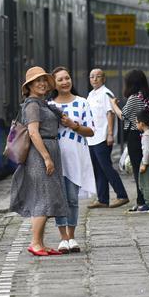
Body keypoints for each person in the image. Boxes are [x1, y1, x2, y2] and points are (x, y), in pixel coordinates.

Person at [10, 66, 71, 256]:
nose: (42, 83)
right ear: (29, 86)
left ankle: (40, 243)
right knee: (43, 199)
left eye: (44, 80)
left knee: (45, 198)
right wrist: (46, 158)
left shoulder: (42, 103)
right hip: (40, 155)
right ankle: (35, 243)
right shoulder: (32, 105)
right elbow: (34, 132)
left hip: (46, 151)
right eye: (38, 81)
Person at [49, 67, 97, 253]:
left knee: (72, 198)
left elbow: (91, 130)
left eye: (67, 78)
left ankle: (72, 237)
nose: (65, 82)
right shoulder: (49, 105)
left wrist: (74, 125)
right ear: (54, 83)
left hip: (76, 156)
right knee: (60, 199)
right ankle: (63, 238)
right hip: (56, 156)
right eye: (60, 79)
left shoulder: (82, 103)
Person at [109, 69, 149, 212]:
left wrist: (113, 104)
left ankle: (143, 201)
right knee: (146, 169)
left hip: (135, 136)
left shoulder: (134, 98)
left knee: (138, 169)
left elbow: (123, 115)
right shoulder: (146, 97)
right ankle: (147, 199)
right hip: (145, 134)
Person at [86, 68, 129, 209]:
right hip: (92, 137)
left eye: (98, 76)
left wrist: (110, 134)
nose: (95, 79)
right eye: (92, 76)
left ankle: (122, 195)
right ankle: (102, 199)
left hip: (102, 137)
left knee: (106, 167)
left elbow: (110, 114)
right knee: (98, 168)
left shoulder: (106, 93)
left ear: (104, 79)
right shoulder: (91, 95)